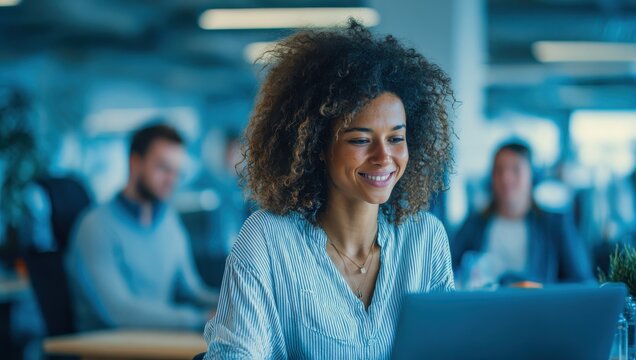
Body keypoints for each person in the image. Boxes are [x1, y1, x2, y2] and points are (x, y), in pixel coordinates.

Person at [203, 21, 455, 359]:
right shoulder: (267, 241)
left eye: (396, 138)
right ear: (318, 146)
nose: (384, 157)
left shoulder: (426, 240)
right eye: (361, 140)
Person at [66, 123, 218, 331]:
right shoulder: (95, 226)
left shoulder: (168, 221)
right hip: (109, 350)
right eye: (163, 168)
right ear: (135, 163)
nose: (171, 180)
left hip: (155, 342)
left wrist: (232, 304)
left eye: (177, 172)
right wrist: (200, 319)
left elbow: (192, 291)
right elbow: (119, 311)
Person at [451, 141, 594, 288]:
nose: (506, 178)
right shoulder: (474, 223)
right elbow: (448, 271)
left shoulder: (556, 225)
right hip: (483, 309)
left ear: (532, 176)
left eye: (515, 170)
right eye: (499, 170)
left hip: (538, 309)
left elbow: (583, 282)